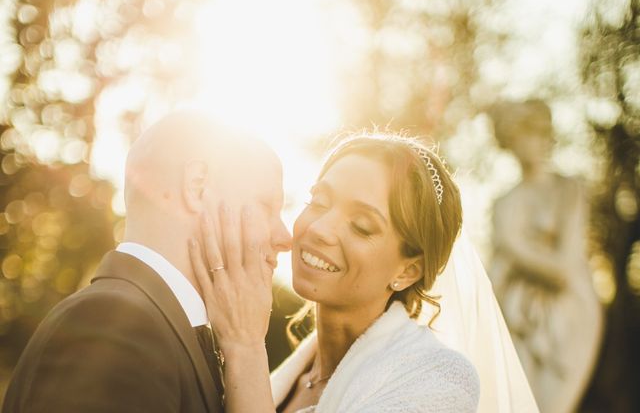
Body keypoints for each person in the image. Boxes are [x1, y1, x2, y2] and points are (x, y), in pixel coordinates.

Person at [190, 131, 540, 412]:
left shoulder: (440, 381)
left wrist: (245, 346)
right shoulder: (293, 373)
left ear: (409, 270)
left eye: (361, 225)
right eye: (319, 202)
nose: (320, 229)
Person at [2, 112, 292, 413]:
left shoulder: (159, 328)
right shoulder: (112, 327)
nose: (286, 237)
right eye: (267, 206)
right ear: (197, 186)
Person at [489, 100, 603, 413]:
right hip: (517, 315)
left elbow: (564, 271)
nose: (532, 142)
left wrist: (513, 246)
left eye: (539, 133)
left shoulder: (569, 190)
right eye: (524, 134)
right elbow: (495, 276)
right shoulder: (504, 203)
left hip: (569, 314)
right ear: (510, 141)